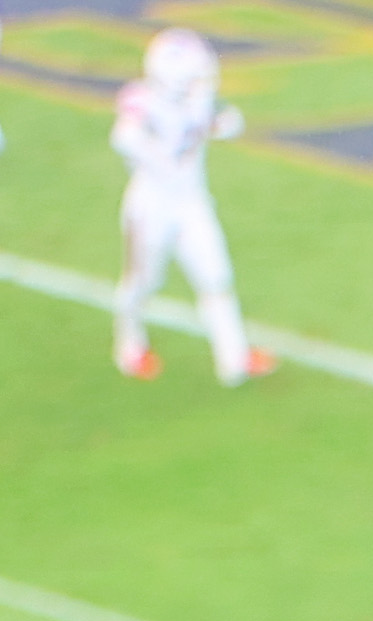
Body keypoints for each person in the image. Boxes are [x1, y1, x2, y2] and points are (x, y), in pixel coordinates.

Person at [108, 27, 261, 388]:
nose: (203, 81)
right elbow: (124, 137)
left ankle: (234, 359)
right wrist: (160, 156)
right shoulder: (143, 100)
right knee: (143, 282)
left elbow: (213, 122)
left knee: (216, 276)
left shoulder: (199, 97)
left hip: (192, 203)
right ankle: (129, 346)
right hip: (152, 207)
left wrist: (222, 126)